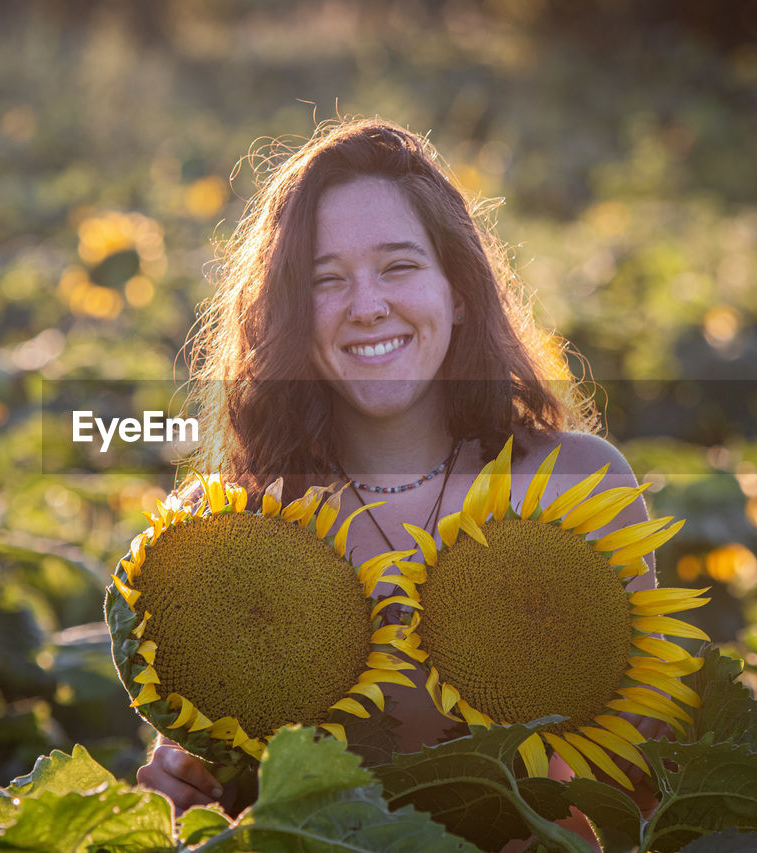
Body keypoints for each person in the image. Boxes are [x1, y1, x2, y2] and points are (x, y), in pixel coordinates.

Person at [135, 118, 667, 841]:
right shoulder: (223, 530)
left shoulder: (578, 483)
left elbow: (640, 778)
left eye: (399, 266)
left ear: (458, 290)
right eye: (327, 279)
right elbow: (220, 789)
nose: (367, 305)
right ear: (287, 312)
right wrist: (187, 786)